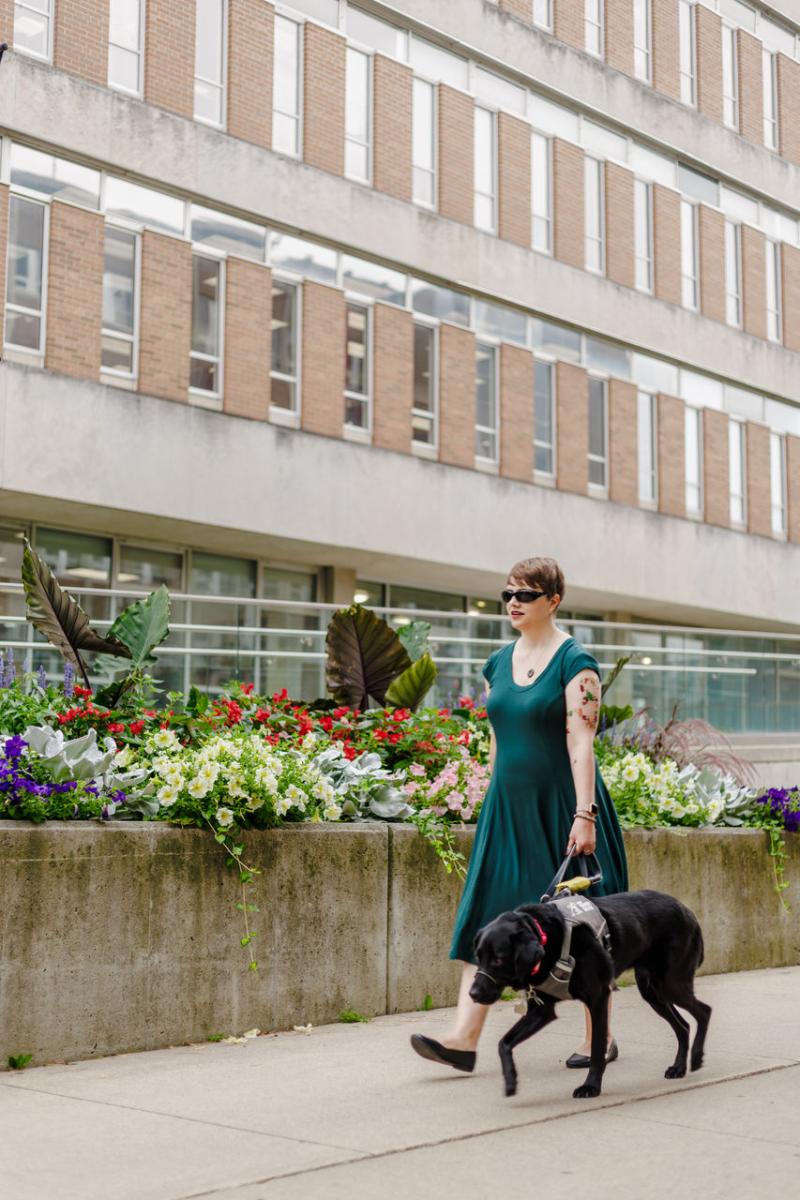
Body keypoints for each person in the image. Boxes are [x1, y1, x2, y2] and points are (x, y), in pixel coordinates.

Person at [411, 556, 629, 1073]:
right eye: (509, 593)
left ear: (553, 600)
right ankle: (464, 1040)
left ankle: (602, 1036)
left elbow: (582, 741)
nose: (514, 602)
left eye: (526, 594)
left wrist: (585, 814)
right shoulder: (496, 662)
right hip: (505, 814)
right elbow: (495, 737)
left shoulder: (578, 664)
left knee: (583, 925)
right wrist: (484, 795)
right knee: (486, 920)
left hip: (560, 808)